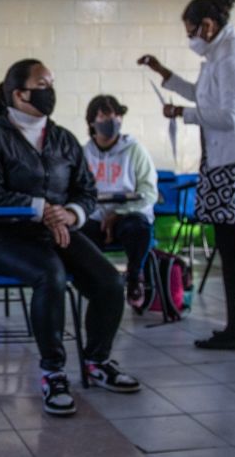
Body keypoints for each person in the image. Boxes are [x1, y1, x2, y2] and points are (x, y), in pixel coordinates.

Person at [0, 59, 140, 416]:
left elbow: (86, 191)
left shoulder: (62, 138)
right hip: (5, 238)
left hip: (58, 231)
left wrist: (71, 212)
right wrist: (41, 208)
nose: (50, 91)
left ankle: (97, 361)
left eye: (51, 83)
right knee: (51, 276)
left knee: (109, 281)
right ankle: (53, 371)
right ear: (20, 93)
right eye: (43, 84)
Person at [138, 0, 235, 350]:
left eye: (191, 31)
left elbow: (230, 117)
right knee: (234, 247)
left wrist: (183, 115)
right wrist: (163, 73)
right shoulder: (220, 53)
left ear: (208, 25)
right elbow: (205, 95)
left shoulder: (233, 56)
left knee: (232, 248)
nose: (191, 39)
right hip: (225, 159)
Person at [80, 95, 157, 311]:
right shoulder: (83, 154)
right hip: (94, 215)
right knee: (78, 234)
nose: (111, 120)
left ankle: (135, 277)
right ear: (92, 122)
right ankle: (97, 285)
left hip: (128, 213)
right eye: (104, 115)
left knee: (137, 228)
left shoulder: (135, 150)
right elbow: (76, 191)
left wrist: (119, 213)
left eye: (116, 115)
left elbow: (148, 192)